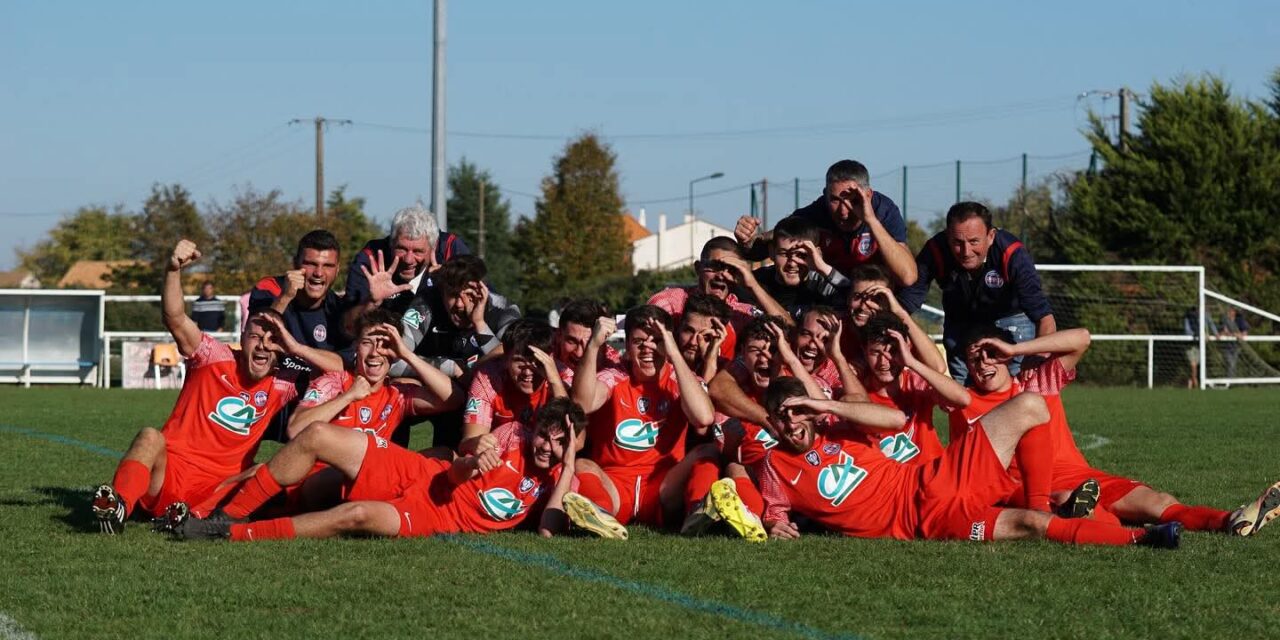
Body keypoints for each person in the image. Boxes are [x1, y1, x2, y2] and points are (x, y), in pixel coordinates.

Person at [90, 239, 342, 534]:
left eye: (272, 340)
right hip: (169, 475)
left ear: (282, 346)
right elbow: (174, 318)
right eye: (255, 336)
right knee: (149, 437)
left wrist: (296, 347)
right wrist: (173, 270)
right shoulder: (212, 356)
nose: (262, 345)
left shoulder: (283, 382)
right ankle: (119, 505)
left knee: (266, 469)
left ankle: (193, 518)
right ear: (242, 338)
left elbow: (338, 369)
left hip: (221, 491)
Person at [758, 377, 1183, 548]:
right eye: (782, 417)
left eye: (798, 412)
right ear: (772, 424)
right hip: (926, 520)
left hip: (934, 477)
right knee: (1030, 525)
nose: (792, 423)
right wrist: (774, 524)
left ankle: (1042, 500)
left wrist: (822, 403)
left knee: (1031, 405)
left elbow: (895, 420)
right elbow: (773, 511)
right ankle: (1141, 539)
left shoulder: (838, 425)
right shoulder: (774, 465)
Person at [953, 323, 1280, 536]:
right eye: (975, 359)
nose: (984, 364)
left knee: (1158, 502)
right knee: (1070, 503)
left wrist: (1015, 349)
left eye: (992, 354)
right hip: (1029, 490)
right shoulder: (962, 402)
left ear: (1005, 356)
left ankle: (1232, 520)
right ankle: (1112, 523)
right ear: (967, 366)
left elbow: (1082, 338)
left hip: (1081, 475)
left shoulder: (1036, 384)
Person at [172, 398, 599, 541]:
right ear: (533, 429)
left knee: (355, 515)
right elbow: (454, 473)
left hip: (436, 517)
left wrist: (565, 469)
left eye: (559, 442)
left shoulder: (561, 481)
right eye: (544, 436)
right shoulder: (511, 437)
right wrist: (471, 462)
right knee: (317, 434)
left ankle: (228, 534)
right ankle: (228, 513)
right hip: (422, 473)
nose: (547, 447)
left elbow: (548, 530)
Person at [568, 306, 726, 533]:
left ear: (668, 343)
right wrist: (593, 345)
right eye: (638, 342)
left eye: (657, 341)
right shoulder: (615, 375)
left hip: (663, 486)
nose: (648, 348)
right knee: (583, 464)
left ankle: (698, 514)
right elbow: (582, 404)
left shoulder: (680, 378)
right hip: (615, 484)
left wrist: (674, 355)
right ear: (627, 346)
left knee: (707, 452)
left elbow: (704, 418)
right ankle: (601, 516)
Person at [898, 202, 1055, 384]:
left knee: (1018, 386)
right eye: (957, 243)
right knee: (962, 390)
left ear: (991, 236)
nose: (966, 252)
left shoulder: (1012, 253)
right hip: (960, 320)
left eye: (974, 242)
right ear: (947, 236)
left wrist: (1036, 357)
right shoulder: (935, 250)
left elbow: (1045, 318)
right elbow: (907, 301)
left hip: (1011, 317)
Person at [392, 255, 522, 449]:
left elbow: (512, 361)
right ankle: (390, 459)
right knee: (399, 387)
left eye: (469, 295)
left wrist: (480, 324)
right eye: (453, 295)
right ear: (441, 291)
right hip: (435, 393)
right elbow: (392, 359)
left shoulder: (504, 308)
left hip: (480, 396)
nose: (460, 304)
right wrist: (450, 367)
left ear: (483, 289)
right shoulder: (427, 302)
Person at [735, 160, 916, 287]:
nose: (843, 211)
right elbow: (769, 245)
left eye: (852, 200)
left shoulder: (884, 212)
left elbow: (907, 277)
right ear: (825, 195)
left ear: (868, 195)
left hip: (874, 302)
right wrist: (747, 240)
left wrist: (870, 220)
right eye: (835, 200)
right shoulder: (815, 214)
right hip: (833, 297)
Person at [648, 237, 786, 359]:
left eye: (731, 269)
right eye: (714, 266)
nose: (721, 275)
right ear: (698, 268)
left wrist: (753, 285)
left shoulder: (743, 315)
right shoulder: (669, 304)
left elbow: (788, 331)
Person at [342, 204, 470, 325]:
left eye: (418, 251)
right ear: (391, 243)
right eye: (401, 249)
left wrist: (446, 289)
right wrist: (371, 303)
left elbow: (477, 315)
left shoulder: (451, 252)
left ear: (433, 248)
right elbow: (346, 328)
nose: (408, 260)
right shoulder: (371, 259)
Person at [460, 319, 567, 454]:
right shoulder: (488, 377)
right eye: (519, 362)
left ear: (549, 358)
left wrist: (555, 382)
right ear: (505, 359)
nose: (527, 372)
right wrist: (475, 444)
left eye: (536, 363)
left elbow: (575, 441)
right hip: (499, 455)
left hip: (546, 456)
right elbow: (469, 443)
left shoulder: (563, 375)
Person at [738, 216, 851, 320]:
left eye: (801, 255)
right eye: (784, 254)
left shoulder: (821, 285)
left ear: (816, 254)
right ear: (771, 252)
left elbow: (855, 298)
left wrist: (822, 267)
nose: (792, 263)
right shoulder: (754, 282)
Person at [842, 264, 946, 374]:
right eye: (857, 297)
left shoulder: (896, 334)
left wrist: (900, 313)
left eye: (875, 299)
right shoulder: (837, 328)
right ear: (848, 298)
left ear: (887, 302)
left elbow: (938, 367)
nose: (863, 306)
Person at [552, 298, 621, 386]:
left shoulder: (612, 363)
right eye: (572, 341)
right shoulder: (542, 356)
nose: (579, 353)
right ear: (559, 335)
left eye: (589, 343)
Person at [1218, 308, 1249, 379]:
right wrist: (1231, 334)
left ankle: (1230, 380)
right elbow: (1222, 332)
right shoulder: (1224, 320)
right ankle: (1230, 380)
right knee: (1230, 363)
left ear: (1234, 312)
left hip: (1236, 346)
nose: (1228, 313)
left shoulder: (1239, 320)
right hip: (1226, 346)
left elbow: (1245, 332)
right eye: (1228, 311)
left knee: (1233, 364)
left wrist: (1238, 334)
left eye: (1230, 311)